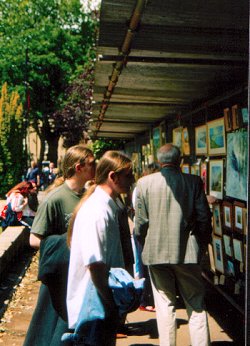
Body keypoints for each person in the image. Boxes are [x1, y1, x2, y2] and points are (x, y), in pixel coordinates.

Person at [134, 143, 212, 346]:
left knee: (164, 304)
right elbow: (204, 218)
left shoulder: (144, 183)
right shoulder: (193, 182)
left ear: (160, 161)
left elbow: (140, 223)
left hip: (155, 253)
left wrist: (145, 243)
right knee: (195, 304)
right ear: (180, 160)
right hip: (187, 252)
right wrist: (201, 246)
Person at [23, 145, 95, 346]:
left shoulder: (87, 196)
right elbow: (34, 238)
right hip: (59, 277)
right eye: (92, 164)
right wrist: (69, 244)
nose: (96, 167)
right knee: (51, 330)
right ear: (79, 167)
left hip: (82, 275)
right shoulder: (55, 199)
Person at [67, 150, 135, 346]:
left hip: (98, 304)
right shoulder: (97, 211)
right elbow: (95, 265)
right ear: (112, 177)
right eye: (128, 175)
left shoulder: (107, 206)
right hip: (93, 307)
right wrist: (110, 303)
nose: (132, 180)